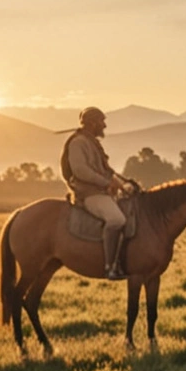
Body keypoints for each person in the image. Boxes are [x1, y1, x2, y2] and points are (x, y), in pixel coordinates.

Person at [61, 107, 134, 280]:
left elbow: (106, 171)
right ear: (93, 123)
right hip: (90, 195)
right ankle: (111, 267)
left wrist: (124, 185)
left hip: (102, 193)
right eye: (102, 122)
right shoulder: (78, 143)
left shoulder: (92, 142)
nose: (104, 126)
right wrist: (106, 183)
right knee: (117, 220)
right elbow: (81, 171)